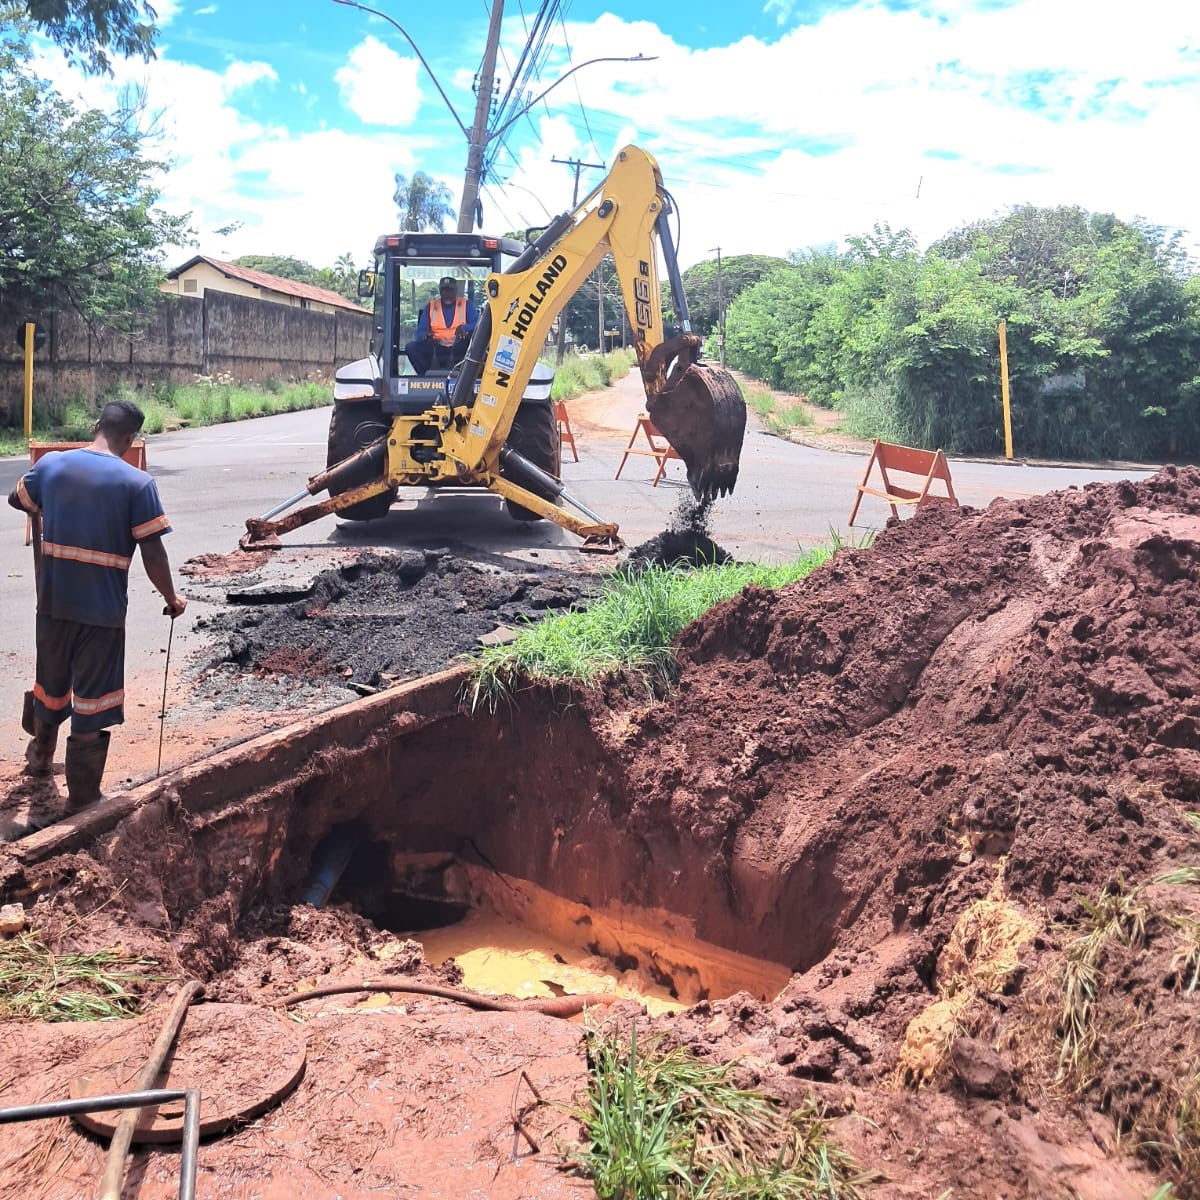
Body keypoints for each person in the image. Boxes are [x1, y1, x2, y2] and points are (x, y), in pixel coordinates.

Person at [7, 400, 186, 811]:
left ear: (96, 425)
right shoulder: (136, 483)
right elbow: (153, 554)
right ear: (130, 439)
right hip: (101, 613)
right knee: (92, 701)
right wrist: (171, 598)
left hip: (51, 604)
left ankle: (39, 758)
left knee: (50, 684)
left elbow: (20, 501)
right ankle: (83, 797)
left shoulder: (52, 466)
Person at [404, 276, 479, 375]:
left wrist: (465, 328)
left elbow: (478, 324)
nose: (447, 294)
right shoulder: (431, 306)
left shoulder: (466, 304)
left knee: (476, 348)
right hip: (435, 348)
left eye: (450, 290)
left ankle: (468, 377)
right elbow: (420, 334)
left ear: (455, 291)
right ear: (440, 291)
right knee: (411, 347)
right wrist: (425, 335)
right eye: (444, 290)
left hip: (459, 348)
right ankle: (424, 379)